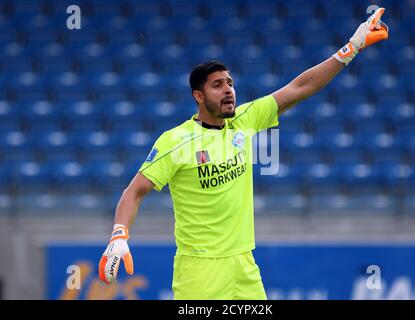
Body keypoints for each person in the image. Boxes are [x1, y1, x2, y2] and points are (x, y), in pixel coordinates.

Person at [98, 8, 389, 299]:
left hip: (244, 264)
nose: (228, 91)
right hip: (200, 270)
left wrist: (350, 49)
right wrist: (119, 234)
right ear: (198, 96)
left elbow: (301, 87)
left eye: (230, 83)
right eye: (217, 85)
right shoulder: (177, 141)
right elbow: (135, 191)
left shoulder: (245, 119)